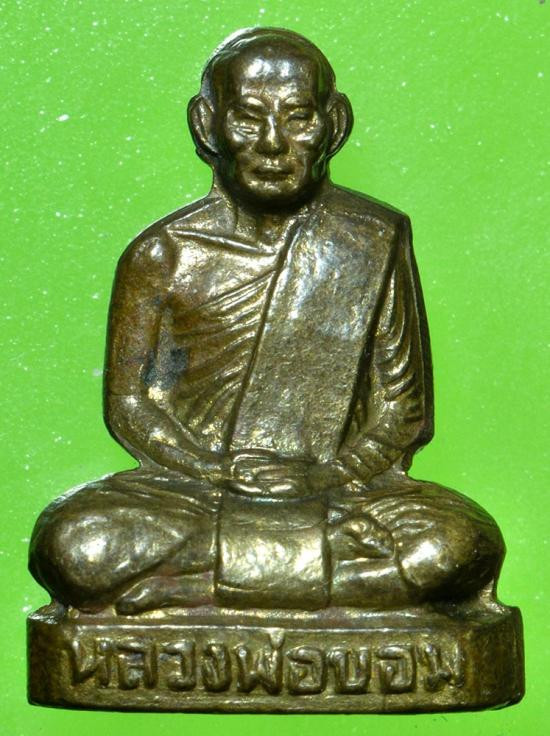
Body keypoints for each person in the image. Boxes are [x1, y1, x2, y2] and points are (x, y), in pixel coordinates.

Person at [29, 28, 503, 615]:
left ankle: (192, 584)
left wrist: (326, 478)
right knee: (76, 544)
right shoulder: (163, 255)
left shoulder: (371, 238)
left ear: (335, 125)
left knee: (460, 543)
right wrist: (213, 470)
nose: (274, 144)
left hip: (338, 495)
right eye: (248, 119)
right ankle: (326, 580)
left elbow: (402, 411)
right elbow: (132, 405)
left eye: (298, 118)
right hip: (197, 494)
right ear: (206, 126)